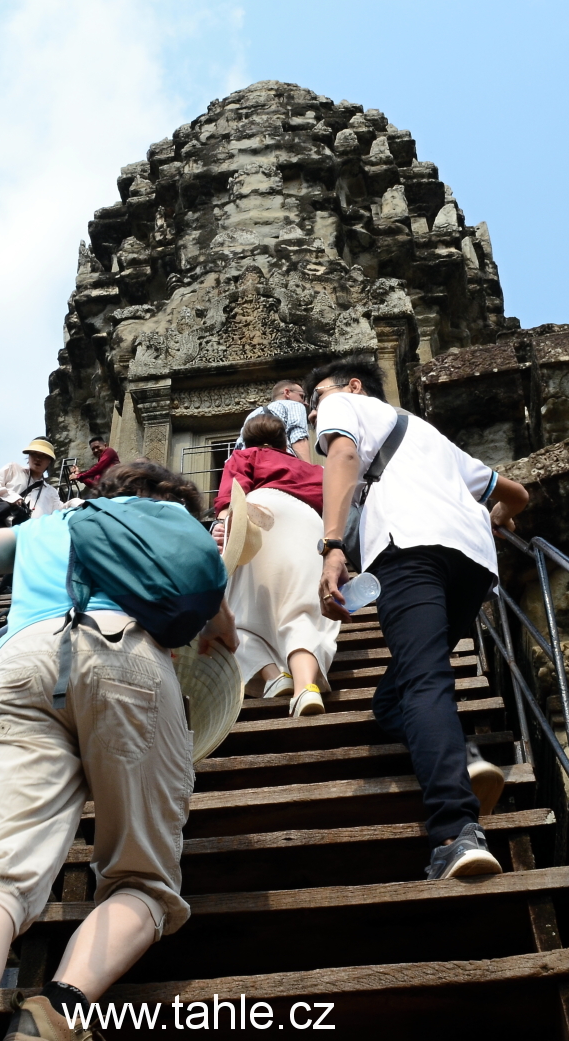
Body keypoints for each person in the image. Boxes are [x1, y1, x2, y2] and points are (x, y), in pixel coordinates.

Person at [0, 459, 236, 1041]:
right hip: (128, 657)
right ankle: (58, 1012)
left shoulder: (47, 525)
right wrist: (222, 631)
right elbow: (221, 626)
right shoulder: (180, 526)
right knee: (140, 878)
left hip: (22, 661)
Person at [309, 355, 530, 882]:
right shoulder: (431, 436)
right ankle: (463, 752)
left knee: (425, 682)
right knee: (394, 698)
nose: (316, 411)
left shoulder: (346, 404)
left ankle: (456, 833)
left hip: (409, 552)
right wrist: (493, 523)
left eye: (318, 398)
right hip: (473, 567)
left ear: (352, 387)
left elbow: (341, 454)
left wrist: (333, 545)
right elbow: (516, 494)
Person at [213, 411, 339, 718]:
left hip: (260, 515)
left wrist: (222, 532)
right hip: (310, 525)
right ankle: (304, 687)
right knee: (302, 610)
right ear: (284, 441)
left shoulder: (245, 455)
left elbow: (231, 497)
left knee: (241, 609)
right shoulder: (309, 467)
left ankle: (272, 676)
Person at [0, 438, 64, 522]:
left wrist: (75, 503)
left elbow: (60, 510)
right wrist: (13, 497)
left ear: (49, 461)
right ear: (28, 456)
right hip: (1, 527)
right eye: (34, 453)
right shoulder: (13, 468)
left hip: (30, 533)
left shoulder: (51, 492)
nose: (38, 458)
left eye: (43, 455)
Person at [233, 379, 311, 460]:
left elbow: (239, 447)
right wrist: (308, 469)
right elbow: (298, 437)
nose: (305, 403)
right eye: (302, 396)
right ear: (287, 392)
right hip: (281, 463)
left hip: (251, 465)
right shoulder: (295, 405)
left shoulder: (252, 415)